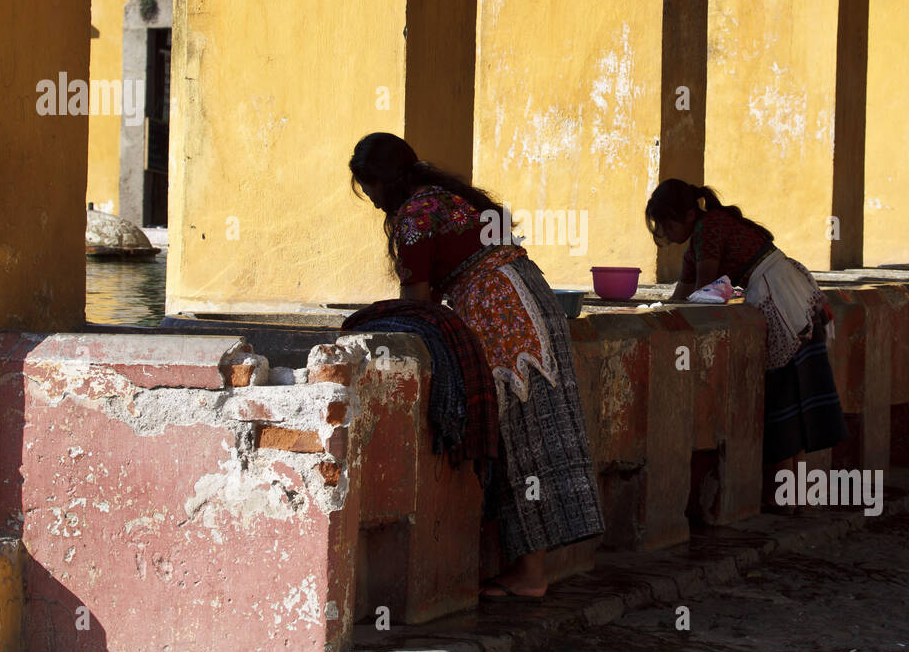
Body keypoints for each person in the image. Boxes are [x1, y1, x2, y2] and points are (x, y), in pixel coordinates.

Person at [349, 132, 605, 598]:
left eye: (368, 187)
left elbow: (417, 303)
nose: (369, 199)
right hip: (531, 299)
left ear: (381, 181)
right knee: (541, 433)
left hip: (500, 314)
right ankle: (534, 569)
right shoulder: (448, 198)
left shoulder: (414, 217)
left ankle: (530, 576)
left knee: (517, 436)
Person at [644, 179, 850, 510]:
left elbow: (705, 293)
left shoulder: (708, 229)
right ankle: (795, 497)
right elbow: (680, 297)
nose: (665, 230)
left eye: (667, 222)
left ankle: (785, 496)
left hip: (781, 299)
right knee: (798, 395)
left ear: (685, 215)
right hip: (797, 297)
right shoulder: (700, 237)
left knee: (785, 396)